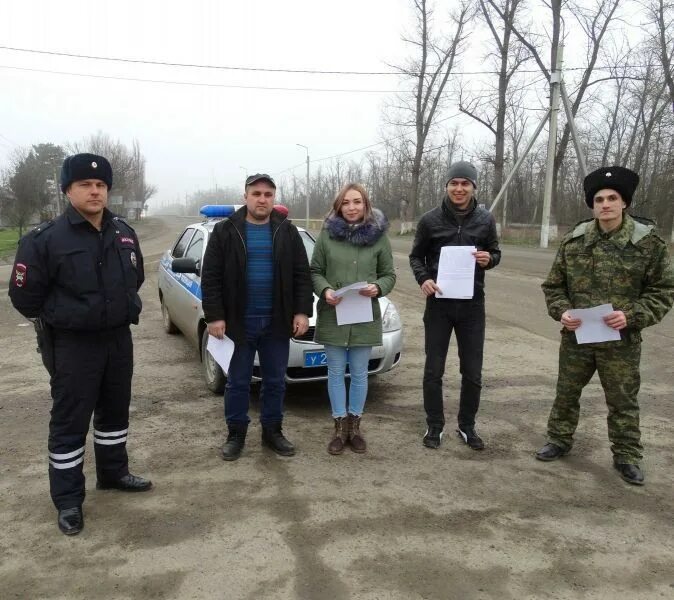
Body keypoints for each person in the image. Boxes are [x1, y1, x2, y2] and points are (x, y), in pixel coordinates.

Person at [8, 153, 152, 536]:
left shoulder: (123, 231)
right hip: (73, 345)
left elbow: (133, 278)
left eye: (101, 185)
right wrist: (66, 318)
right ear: (67, 190)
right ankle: (69, 500)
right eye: (85, 185)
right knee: (70, 422)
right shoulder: (45, 239)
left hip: (118, 339)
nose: (94, 191)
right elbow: (25, 297)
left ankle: (114, 473)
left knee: (114, 412)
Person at [536, 166, 674, 485]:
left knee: (623, 400)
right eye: (599, 199)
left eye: (612, 198)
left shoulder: (647, 243)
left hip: (621, 340)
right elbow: (553, 287)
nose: (605, 204)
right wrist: (562, 312)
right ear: (592, 205)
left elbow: (664, 290)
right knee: (566, 393)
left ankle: (627, 456)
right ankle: (558, 440)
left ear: (624, 203)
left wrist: (633, 315)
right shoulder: (574, 241)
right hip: (577, 339)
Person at [201, 173, 313, 461]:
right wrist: (214, 315)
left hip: (276, 322)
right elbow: (211, 277)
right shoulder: (226, 231)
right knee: (237, 382)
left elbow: (302, 274)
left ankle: (272, 431)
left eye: (268, 194)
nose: (262, 199)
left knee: (275, 381)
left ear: (274, 199)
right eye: (256, 193)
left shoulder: (287, 232)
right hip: (238, 324)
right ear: (246, 197)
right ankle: (236, 434)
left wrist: (302, 311)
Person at [409, 161, 501, 450]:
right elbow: (415, 257)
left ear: (474, 187)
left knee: (472, 372)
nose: (459, 189)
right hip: (439, 305)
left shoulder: (485, 220)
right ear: (446, 186)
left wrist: (491, 259)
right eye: (454, 183)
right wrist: (424, 279)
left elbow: (495, 252)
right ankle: (434, 425)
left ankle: (467, 426)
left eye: (465, 183)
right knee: (433, 370)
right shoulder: (429, 220)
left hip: (472, 306)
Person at [310, 183, 396, 454]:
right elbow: (315, 271)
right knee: (335, 373)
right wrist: (324, 290)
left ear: (366, 205)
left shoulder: (379, 238)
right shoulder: (326, 236)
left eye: (357, 202)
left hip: (363, 316)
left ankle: (354, 428)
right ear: (339, 206)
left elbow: (389, 275)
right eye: (346, 202)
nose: (351, 207)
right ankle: (338, 428)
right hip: (334, 314)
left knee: (359, 374)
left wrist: (378, 287)